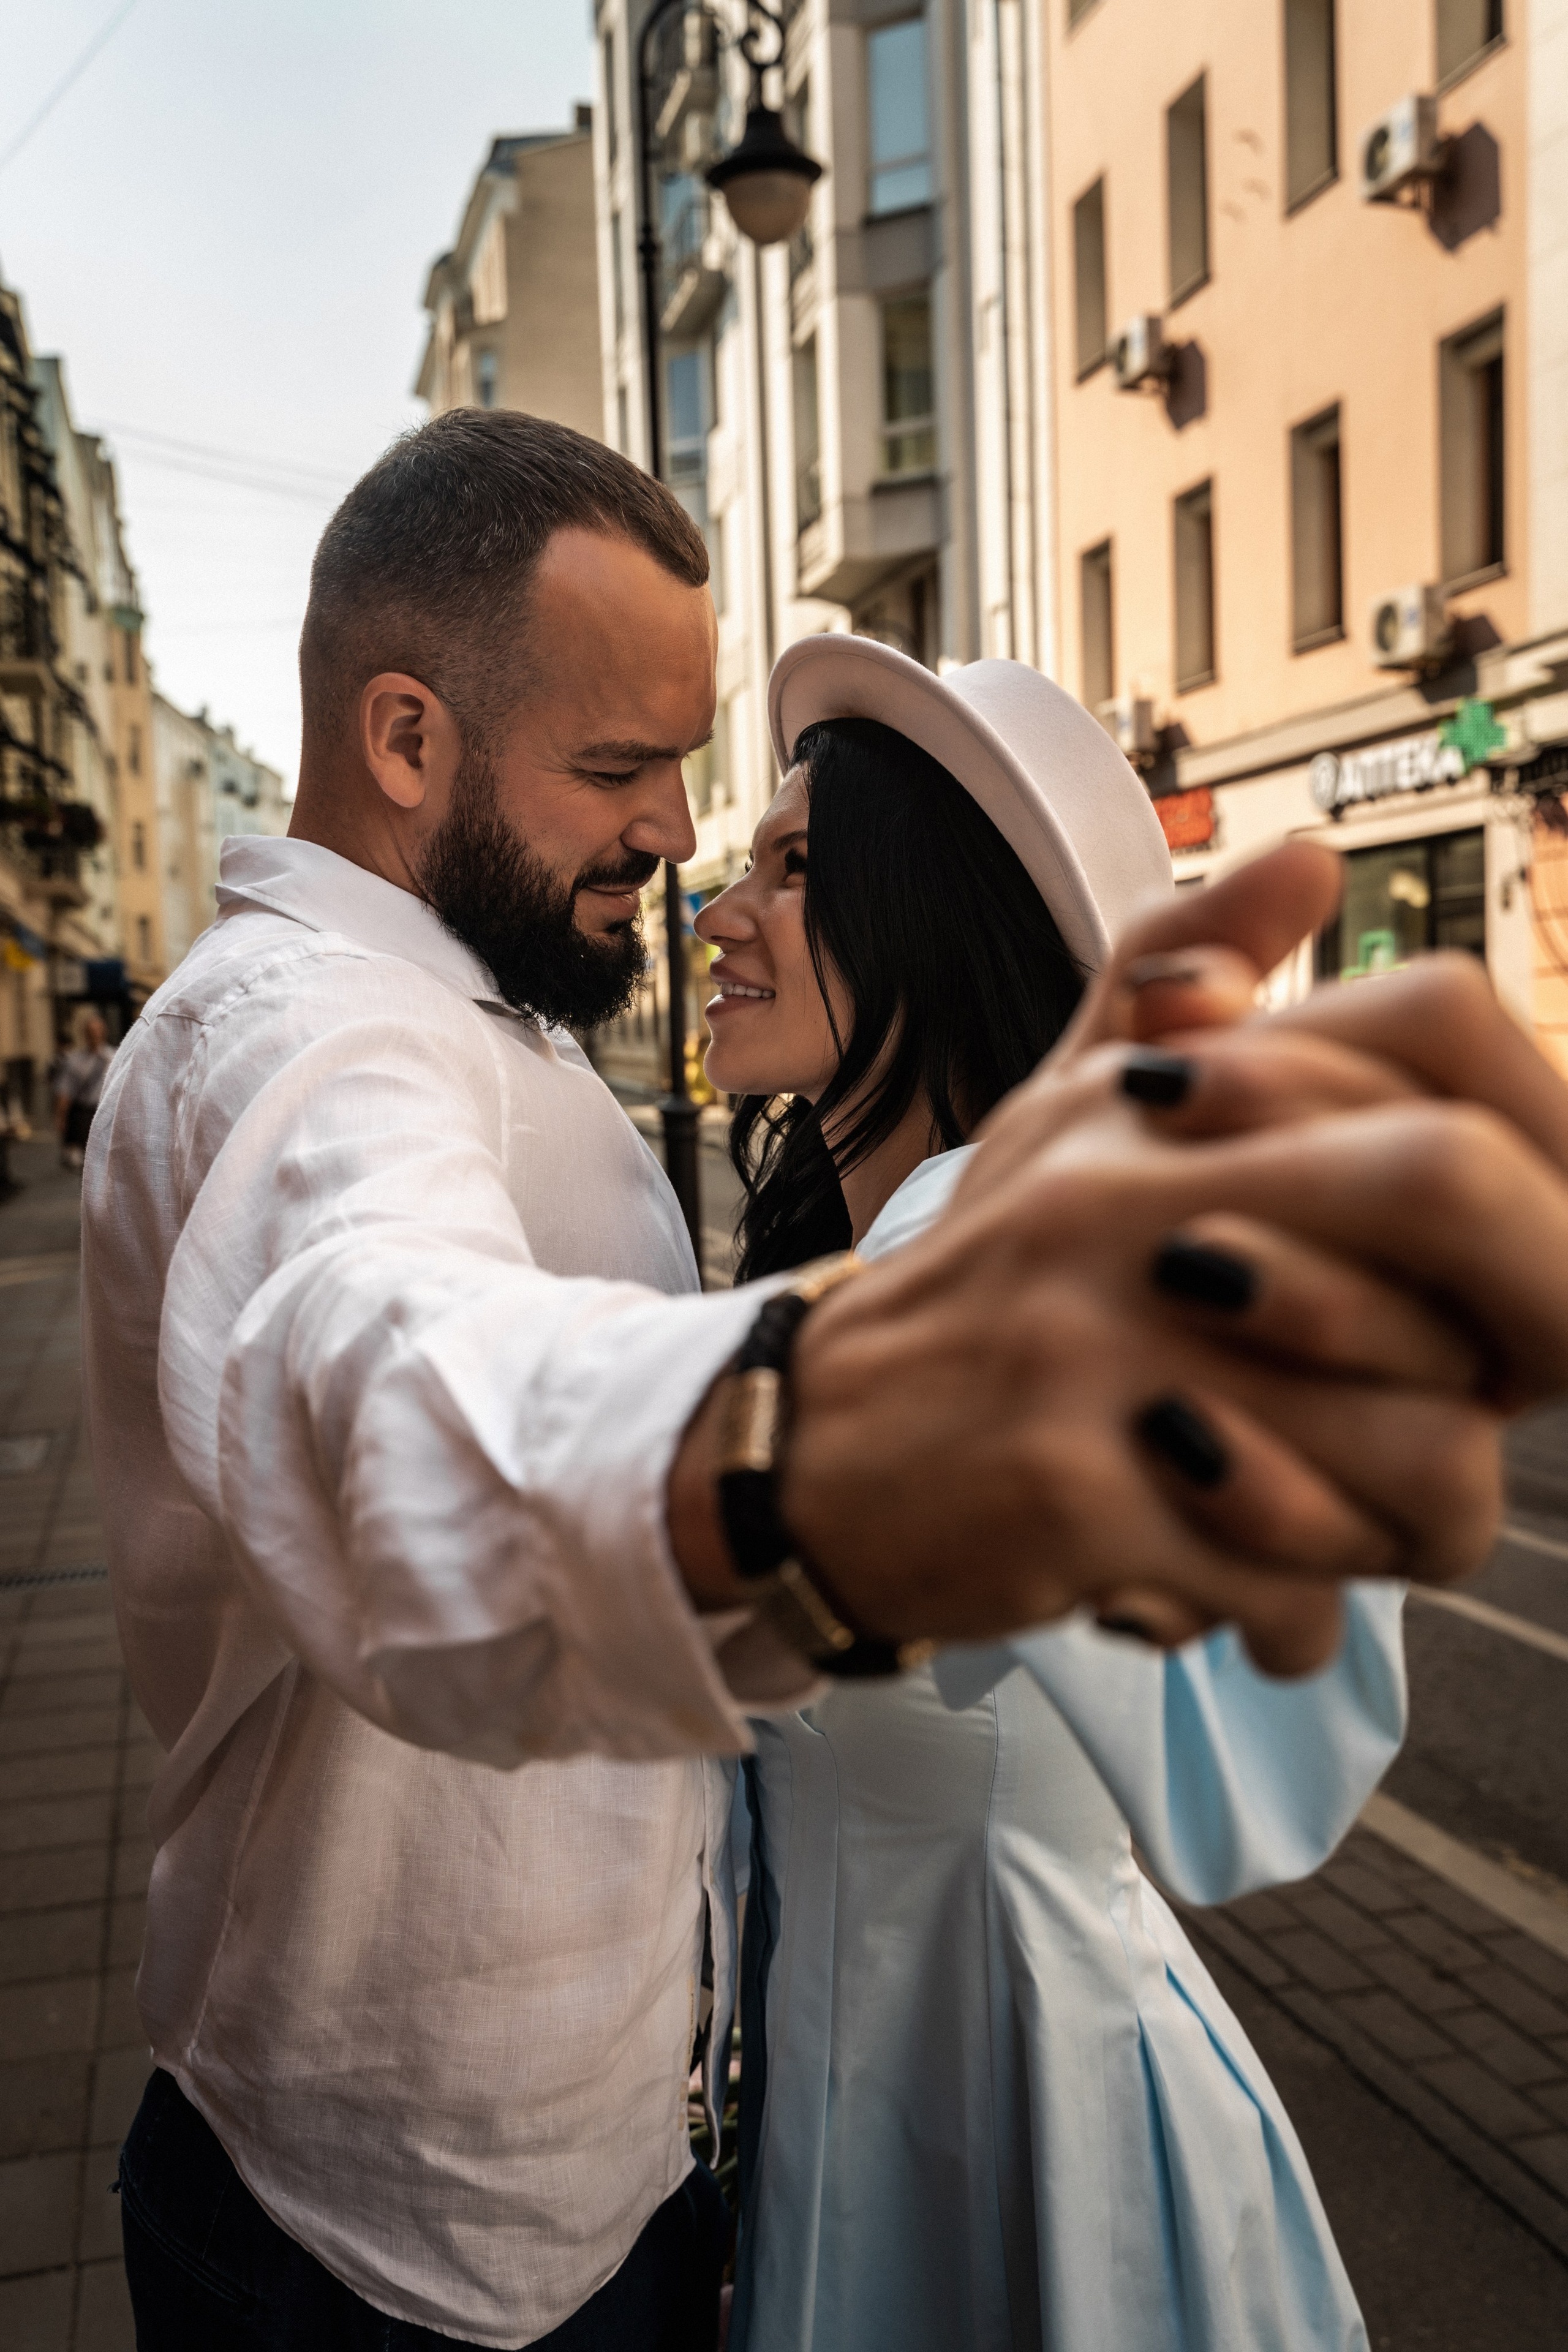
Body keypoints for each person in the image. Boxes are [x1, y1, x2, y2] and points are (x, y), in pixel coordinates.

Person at [78, 410, 1568, 2352]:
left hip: (882, 2148)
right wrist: (821, 1438)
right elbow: (381, 1373)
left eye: (749, 822)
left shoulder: (525, 1043)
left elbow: (1259, 1747)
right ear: (406, 739)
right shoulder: (304, 1041)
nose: (685, 851)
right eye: (624, 768)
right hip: (417, 2251)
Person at [696, 636, 1433, 2348]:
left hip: (1048, 2142)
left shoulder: (1034, 1266)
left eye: (795, 869)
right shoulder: (864, 1256)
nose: (722, 910)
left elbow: (1286, 1746)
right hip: (855, 2125)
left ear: (939, 922)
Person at [54, 1009, 113, 1169]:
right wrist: (61, 1118)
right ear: (85, 1034)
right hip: (84, 1115)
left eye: (98, 1031)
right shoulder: (74, 1061)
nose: (95, 1035)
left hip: (107, 1114)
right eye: (91, 1032)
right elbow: (65, 1092)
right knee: (85, 1161)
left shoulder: (114, 1058)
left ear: (104, 1032)